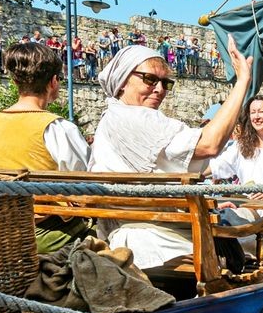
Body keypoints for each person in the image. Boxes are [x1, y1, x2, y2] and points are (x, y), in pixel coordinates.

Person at [89, 41, 253, 268]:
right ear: (123, 81)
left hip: (135, 231)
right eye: (150, 79)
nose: (159, 89)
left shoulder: (112, 120)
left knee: (242, 217)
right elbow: (210, 145)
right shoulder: (136, 118)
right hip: (159, 239)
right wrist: (242, 82)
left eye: (166, 83)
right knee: (254, 224)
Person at [0, 42, 91, 252]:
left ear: (15, 81)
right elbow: (85, 180)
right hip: (45, 235)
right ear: (53, 82)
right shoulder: (58, 128)